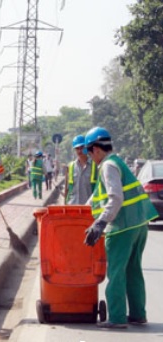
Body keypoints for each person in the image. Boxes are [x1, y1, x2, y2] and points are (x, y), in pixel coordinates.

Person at [83, 126, 158, 329]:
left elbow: (115, 197)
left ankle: (116, 318)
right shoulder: (117, 163)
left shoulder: (107, 166)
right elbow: (99, 197)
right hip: (139, 224)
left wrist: (100, 222)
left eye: (90, 153)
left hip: (122, 227)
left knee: (116, 271)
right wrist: (81, 209)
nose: (91, 158)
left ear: (96, 149)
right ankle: (137, 314)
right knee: (133, 270)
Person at [64, 135, 97, 204]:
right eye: (77, 148)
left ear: (86, 148)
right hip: (73, 208)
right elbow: (67, 190)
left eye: (82, 148)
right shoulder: (70, 166)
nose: (79, 150)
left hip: (89, 208)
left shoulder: (95, 166)